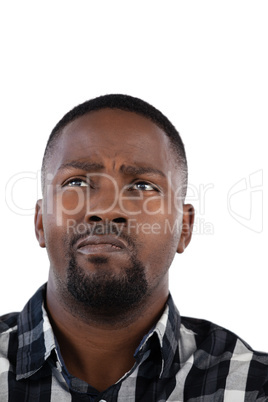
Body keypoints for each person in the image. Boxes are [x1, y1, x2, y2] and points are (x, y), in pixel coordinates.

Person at [0, 94, 267, 401]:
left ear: (184, 228)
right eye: (76, 182)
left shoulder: (252, 387)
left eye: (142, 185)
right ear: (39, 222)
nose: (105, 208)